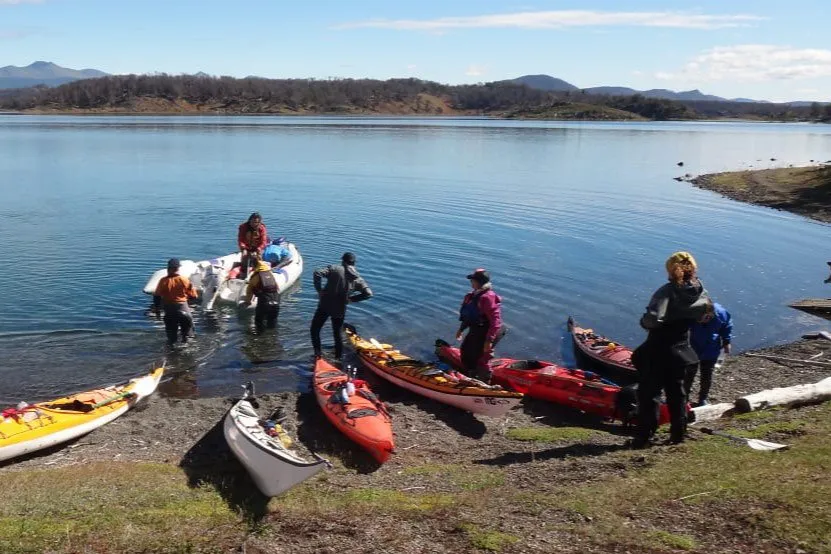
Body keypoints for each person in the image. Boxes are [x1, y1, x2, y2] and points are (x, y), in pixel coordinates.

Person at [630, 251, 711, 447]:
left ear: (670, 269)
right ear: (693, 268)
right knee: (677, 394)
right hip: (682, 350)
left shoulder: (666, 291)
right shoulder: (700, 291)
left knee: (649, 394)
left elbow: (652, 320)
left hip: (658, 349)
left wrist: (644, 322)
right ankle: (678, 434)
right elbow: (706, 316)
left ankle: (644, 437)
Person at [311, 252, 372, 359]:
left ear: (343, 261)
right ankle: (338, 358)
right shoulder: (358, 279)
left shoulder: (335, 269)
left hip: (325, 305)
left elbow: (317, 273)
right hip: (340, 309)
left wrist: (319, 290)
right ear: (354, 263)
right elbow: (368, 294)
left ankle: (318, 354)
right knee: (337, 333)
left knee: (315, 329)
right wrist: (351, 299)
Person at [455, 268, 505, 382]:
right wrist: (461, 329)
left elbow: (495, 321)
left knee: (482, 356)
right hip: (477, 329)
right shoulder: (471, 296)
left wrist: (489, 340)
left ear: (479, 282)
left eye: (473, 280)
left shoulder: (487, 297)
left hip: (490, 330)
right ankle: (471, 374)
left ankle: (485, 380)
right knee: (466, 350)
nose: (471, 282)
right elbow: (469, 316)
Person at [687, 300, 732, 406]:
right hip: (693, 347)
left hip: (711, 349)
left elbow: (727, 326)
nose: (700, 322)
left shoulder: (721, 313)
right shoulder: (692, 314)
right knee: (688, 374)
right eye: (698, 320)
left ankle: (703, 399)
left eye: (703, 319)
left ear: (709, 315)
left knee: (707, 375)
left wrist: (726, 341)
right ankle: (684, 398)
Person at [153, 258, 199, 345]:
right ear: (178, 268)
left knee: (171, 336)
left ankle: (171, 349)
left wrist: (157, 309)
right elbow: (194, 296)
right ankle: (187, 346)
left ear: (168, 268)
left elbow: (157, 296)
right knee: (188, 333)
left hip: (169, 310)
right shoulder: (184, 280)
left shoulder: (163, 281)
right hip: (182, 308)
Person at [243, 252, 281, 332]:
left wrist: (247, 302)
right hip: (276, 302)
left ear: (254, 266)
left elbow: (249, 292)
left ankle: (259, 338)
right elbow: (277, 288)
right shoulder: (270, 273)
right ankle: (272, 338)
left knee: (259, 325)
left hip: (264, 303)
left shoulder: (255, 276)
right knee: (272, 326)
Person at [237, 212, 268, 279]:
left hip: (257, 248)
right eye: (253, 222)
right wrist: (243, 248)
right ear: (249, 220)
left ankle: (257, 277)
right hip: (246, 247)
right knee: (244, 260)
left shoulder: (261, 228)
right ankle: (243, 276)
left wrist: (258, 249)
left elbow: (264, 241)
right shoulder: (243, 227)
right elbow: (240, 239)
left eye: (256, 222)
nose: (254, 224)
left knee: (257, 261)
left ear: (259, 222)